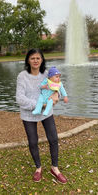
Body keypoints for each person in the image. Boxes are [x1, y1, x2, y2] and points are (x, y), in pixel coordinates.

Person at [16, 48, 67, 184]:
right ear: (28, 60)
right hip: (29, 114)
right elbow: (19, 98)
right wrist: (40, 105)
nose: (35, 60)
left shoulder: (47, 74)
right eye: (32, 58)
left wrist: (56, 95)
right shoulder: (22, 76)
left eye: (38, 58)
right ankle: (38, 168)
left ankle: (54, 168)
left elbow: (58, 88)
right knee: (33, 142)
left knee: (53, 139)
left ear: (42, 59)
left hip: (46, 113)